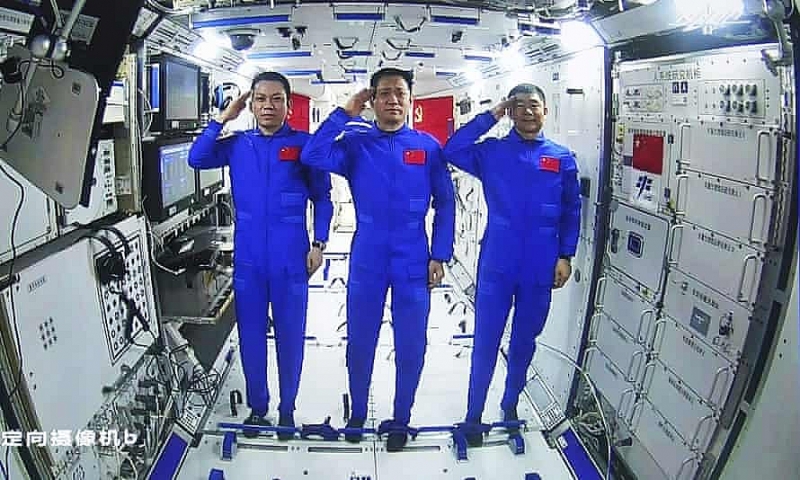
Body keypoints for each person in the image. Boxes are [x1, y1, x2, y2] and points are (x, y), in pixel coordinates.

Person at [299, 67, 456, 451]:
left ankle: (401, 418)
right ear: (373, 99)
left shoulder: (427, 147)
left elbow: (446, 203)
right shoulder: (356, 144)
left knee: (411, 342)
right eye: (384, 93)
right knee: (360, 339)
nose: (393, 100)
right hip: (368, 253)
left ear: (410, 99)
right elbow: (312, 153)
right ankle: (357, 415)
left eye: (400, 92)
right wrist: (345, 112)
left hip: (413, 254)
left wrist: (440, 254)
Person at [188, 71, 333, 439]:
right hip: (249, 261)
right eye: (261, 99)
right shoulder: (237, 144)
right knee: (251, 336)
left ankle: (287, 409)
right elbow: (196, 158)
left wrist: (319, 243)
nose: (269, 106)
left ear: (288, 105)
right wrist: (224, 117)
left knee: (290, 336)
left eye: (277, 99)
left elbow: (323, 199)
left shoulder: (305, 146)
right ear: (250, 105)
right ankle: (258, 407)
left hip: (291, 259)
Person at [442, 83, 581, 446]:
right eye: (518, 106)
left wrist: (566, 255)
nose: (527, 112)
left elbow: (572, 211)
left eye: (534, 105)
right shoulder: (492, 152)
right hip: (498, 261)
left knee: (524, 341)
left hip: (541, 264)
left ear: (546, 111)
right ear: (510, 112)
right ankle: (473, 414)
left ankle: (510, 404)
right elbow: (452, 148)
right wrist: (491, 115)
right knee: (485, 340)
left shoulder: (562, 158)